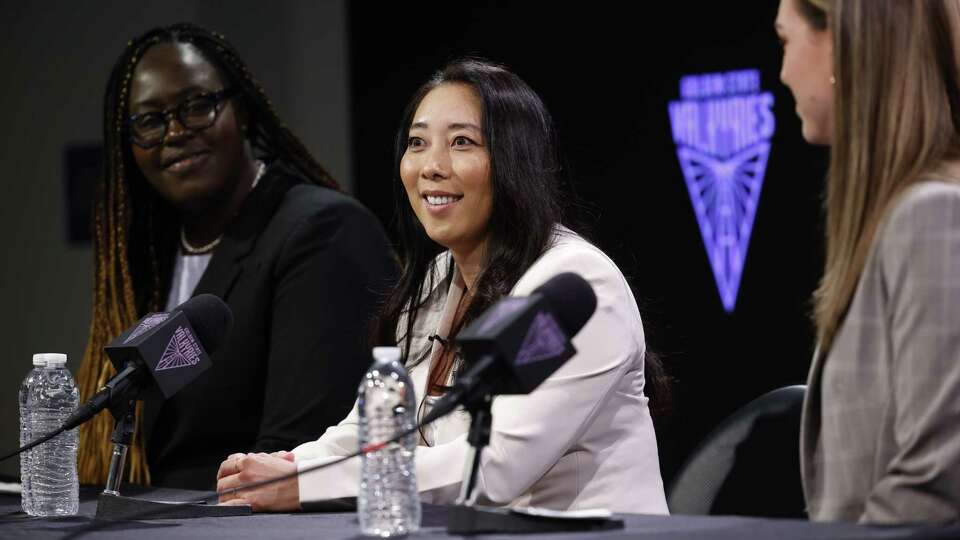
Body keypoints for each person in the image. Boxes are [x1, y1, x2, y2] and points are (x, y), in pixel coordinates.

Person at [215, 58, 669, 514]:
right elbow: (374, 432)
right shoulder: (437, 279)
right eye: (417, 143)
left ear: (515, 160)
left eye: (461, 142)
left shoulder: (573, 286)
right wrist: (286, 466)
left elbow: (494, 465)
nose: (430, 166)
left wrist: (306, 485)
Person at [76, 23, 396, 489]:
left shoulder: (322, 232)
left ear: (242, 110)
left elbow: (294, 454)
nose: (176, 132)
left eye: (198, 106)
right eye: (150, 121)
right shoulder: (147, 257)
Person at [776, 0, 960, 523]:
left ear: (840, 42)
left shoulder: (934, 215)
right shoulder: (902, 216)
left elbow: (938, 480)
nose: (783, 73)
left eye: (785, 42)